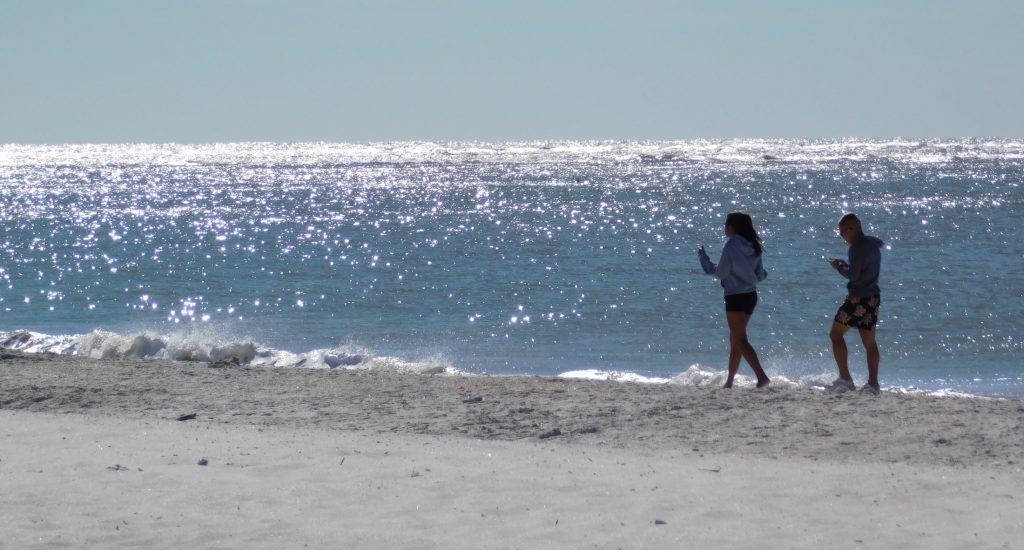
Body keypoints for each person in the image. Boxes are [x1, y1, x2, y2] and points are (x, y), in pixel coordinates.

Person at [698, 212, 770, 389]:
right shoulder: (754, 245)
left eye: (726, 224)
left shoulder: (731, 245)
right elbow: (760, 274)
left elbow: (721, 273)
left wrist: (703, 259)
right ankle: (729, 381)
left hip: (735, 296)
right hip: (750, 296)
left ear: (731, 227)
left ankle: (761, 377)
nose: (724, 228)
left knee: (739, 339)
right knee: (736, 338)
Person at [827, 213, 884, 394]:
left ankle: (845, 378)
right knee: (870, 343)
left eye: (843, 233)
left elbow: (854, 275)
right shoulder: (873, 244)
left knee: (835, 335)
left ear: (852, 229)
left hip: (858, 299)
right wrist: (846, 265)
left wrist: (839, 267)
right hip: (873, 298)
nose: (842, 237)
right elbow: (862, 269)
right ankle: (873, 384)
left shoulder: (857, 247)